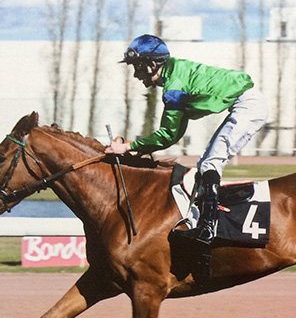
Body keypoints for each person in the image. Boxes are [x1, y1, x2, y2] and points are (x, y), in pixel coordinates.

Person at [104, 34, 267, 244]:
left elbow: (168, 135)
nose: (136, 74)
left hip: (248, 105)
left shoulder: (174, 87)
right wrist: (138, 147)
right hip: (246, 102)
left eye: (138, 67)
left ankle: (208, 229)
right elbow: (174, 134)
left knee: (210, 163)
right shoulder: (175, 74)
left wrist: (128, 147)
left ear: (152, 64)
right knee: (204, 165)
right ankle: (208, 219)